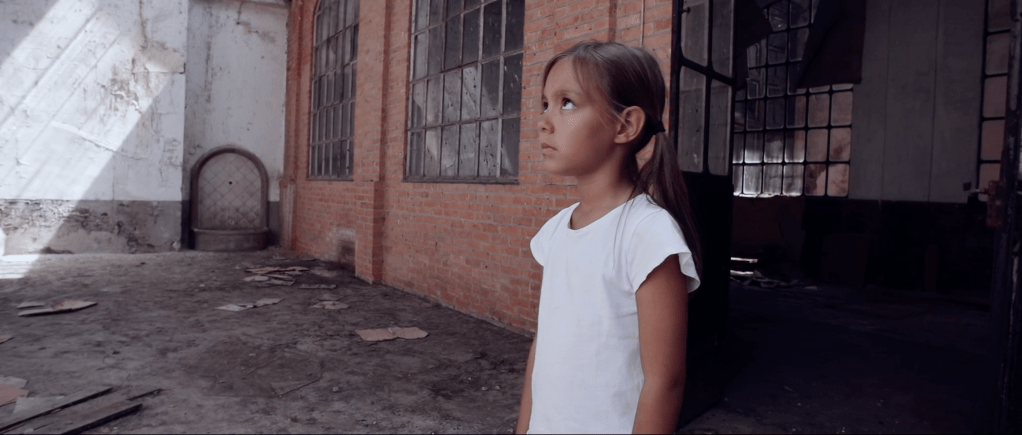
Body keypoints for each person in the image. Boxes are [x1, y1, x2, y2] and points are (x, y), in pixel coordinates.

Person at [515, 41, 704, 434]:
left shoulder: (648, 235)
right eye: (545, 104)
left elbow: (665, 382)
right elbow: (543, 344)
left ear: (625, 125)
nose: (544, 121)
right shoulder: (555, 231)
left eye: (567, 103)